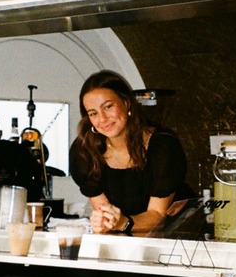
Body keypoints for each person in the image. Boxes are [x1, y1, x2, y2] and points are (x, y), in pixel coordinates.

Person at [69, 70, 192, 234]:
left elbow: (157, 216)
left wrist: (123, 223)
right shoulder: (85, 151)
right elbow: (106, 215)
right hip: (127, 242)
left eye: (108, 106)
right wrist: (105, 223)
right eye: (93, 113)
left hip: (175, 240)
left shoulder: (163, 146)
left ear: (126, 103)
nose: (103, 118)